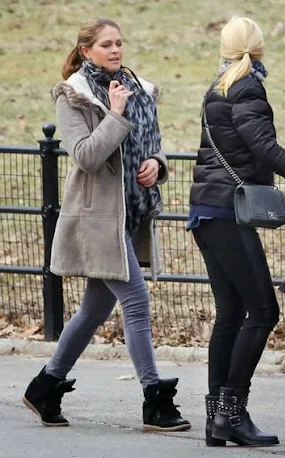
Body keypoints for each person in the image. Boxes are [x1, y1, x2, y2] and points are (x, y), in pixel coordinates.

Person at [22, 17, 191, 432]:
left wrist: (157, 165)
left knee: (95, 308)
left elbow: (153, 146)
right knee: (135, 300)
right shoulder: (73, 96)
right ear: (86, 51)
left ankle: (45, 386)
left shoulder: (139, 88)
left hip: (130, 216)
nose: (116, 50)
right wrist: (115, 113)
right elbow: (86, 157)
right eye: (106, 45)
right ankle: (155, 399)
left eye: (119, 43)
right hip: (98, 220)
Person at [188, 16, 285, 447]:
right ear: (259, 47)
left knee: (230, 315)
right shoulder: (247, 87)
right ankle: (231, 415)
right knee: (263, 312)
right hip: (226, 213)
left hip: (206, 211)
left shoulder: (218, 87)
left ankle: (216, 420)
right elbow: (266, 149)